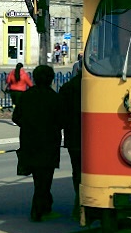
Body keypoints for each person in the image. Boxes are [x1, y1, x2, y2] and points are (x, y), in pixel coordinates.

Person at [13, 64, 61, 221]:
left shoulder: (26, 96)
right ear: (51, 79)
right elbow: (62, 120)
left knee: (38, 179)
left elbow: (16, 117)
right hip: (49, 143)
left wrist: (28, 125)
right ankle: (38, 210)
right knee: (45, 178)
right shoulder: (54, 98)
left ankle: (44, 207)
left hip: (29, 141)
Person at [58, 67, 82, 219]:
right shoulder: (94, 85)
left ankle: (78, 201)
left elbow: (61, 113)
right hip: (92, 137)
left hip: (73, 135)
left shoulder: (67, 88)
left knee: (77, 170)